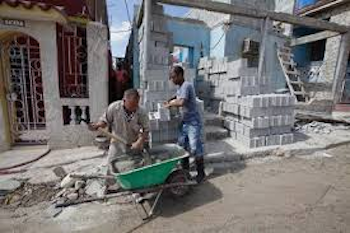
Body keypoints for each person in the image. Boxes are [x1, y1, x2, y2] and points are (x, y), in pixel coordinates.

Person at [89, 89, 150, 173]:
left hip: (134, 145)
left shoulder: (141, 112)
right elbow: (105, 121)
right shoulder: (114, 108)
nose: (134, 108)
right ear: (124, 100)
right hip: (117, 144)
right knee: (112, 166)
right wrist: (97, 125)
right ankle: (110, 184)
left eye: (136, 105)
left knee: (135, 167)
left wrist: (139, 142)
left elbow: (146, 130)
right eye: (132, 105)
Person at [164, 66, 205, 183]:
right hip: (184, 122)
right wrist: (169, 100)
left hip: (192, 122)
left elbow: (182, 102)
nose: (172, 80)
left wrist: (171, 104)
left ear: (180, 75)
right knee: (183, 147)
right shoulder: (180, 87)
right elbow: (178, 97)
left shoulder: (187, 85)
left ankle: (201, 174)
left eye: (173, 77)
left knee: (195, 147)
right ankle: (185, 173)